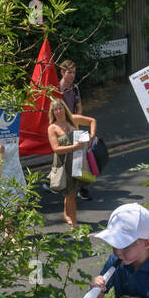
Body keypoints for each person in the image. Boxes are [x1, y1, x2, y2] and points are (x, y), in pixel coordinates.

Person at [47, 97, 96, 228]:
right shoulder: (52, 128)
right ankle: (74, 224)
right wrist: (74, 147)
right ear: (52, 113)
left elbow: (92, 121)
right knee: (70, 194)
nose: (58, 111)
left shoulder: (73, 119)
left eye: (60, 108)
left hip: (77, 161)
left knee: (72, 193)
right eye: (55, 109)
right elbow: (56, 149)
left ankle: (66, 215)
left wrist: (91, 137)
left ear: (64, 108)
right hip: (63, 163)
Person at [57, 60, 93, 202]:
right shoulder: (57, 89)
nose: (72, 75)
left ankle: (82, 188)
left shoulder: (75, 88)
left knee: (79, 157)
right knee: (64, 158)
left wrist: (75, 120)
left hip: (73, 125)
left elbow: (79, 106)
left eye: (74, 72)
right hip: (61, 128)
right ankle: (60, 185)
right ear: (62, 72)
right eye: (69, 72)